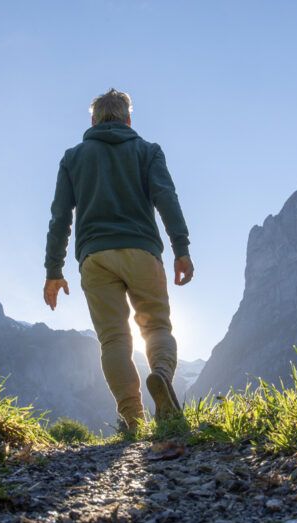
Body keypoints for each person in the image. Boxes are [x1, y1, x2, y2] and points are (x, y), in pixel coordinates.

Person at [43, 88, 194, 432]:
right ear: (128, 119)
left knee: (114, 339)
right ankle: (161, 377)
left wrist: (54, 270)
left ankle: (133, 419)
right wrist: (181, 249)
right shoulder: (148, 151)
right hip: (142, 250)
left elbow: (60, 218)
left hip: (95, 257)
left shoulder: (73, 158)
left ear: (93, 121)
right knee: (156, 326)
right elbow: (165, 198)